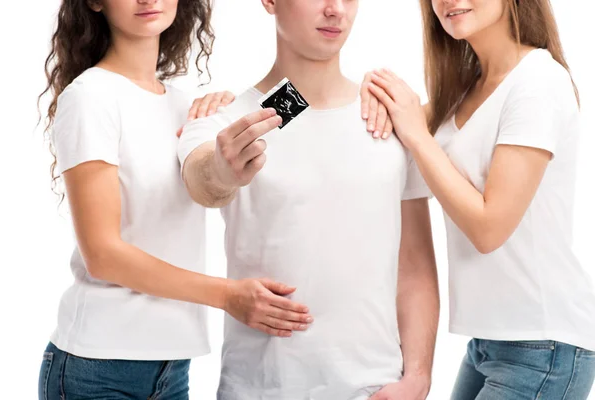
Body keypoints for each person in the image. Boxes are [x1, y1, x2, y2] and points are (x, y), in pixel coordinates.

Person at [37, 0, 310, 398]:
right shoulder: (90, 97)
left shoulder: (186, 106)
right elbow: (102, 254)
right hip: (97, 369)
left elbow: (300, 101)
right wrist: (228, 295)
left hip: (173, 368)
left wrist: (224, 112)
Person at [178, 0, 439, 399]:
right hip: (260, 390)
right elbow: (204, 181)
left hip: (373, 389)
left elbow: (415, 262)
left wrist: (417, 378)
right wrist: (222, 169)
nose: (335, 9)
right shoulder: (226, 121)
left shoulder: (392, 119)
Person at [364, 0, 595, 398]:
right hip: (489, 342)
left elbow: (489, 229)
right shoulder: (464, 91)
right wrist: (245, 104)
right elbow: (356, 122)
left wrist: (417, 133)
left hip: (545, 346)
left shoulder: (538, 81)